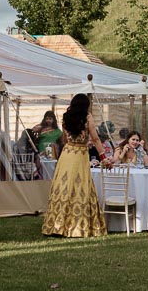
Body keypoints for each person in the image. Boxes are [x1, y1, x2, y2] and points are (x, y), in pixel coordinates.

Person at [41, 94, 110, 238]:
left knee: (63, 186)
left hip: (67, 153)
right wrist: (103, 156)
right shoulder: (88, 117)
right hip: (80, 154)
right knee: (80, 186)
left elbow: (65, 138)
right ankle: (79, 225)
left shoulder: (66, 117)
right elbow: (95, 138)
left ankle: (57, 225)